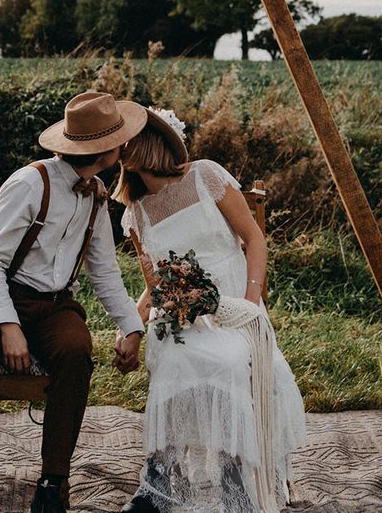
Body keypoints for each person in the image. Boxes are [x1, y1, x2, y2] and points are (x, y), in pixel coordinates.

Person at [0, 91, 149, 513]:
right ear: (103, 149)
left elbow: (104, 271)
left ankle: (52, 484)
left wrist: (132, 326)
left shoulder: (96, 195)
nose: (124, 147)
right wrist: (8, 325)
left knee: (77, 352)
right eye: (119, 141)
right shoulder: (29, 183)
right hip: (4, 297)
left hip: (57, 306)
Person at [115, 108, 307, 513]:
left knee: (233, 360)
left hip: (236, 303)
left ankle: (237, 482)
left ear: (147, 143)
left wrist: (250, 305)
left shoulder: (206, 176)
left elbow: (254, 240)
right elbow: (154, 286)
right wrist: (129, 324)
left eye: (126, 139)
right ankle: (158, 482)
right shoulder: (135, 213)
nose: (118, 147)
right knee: (169, 357)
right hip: (181, 315)